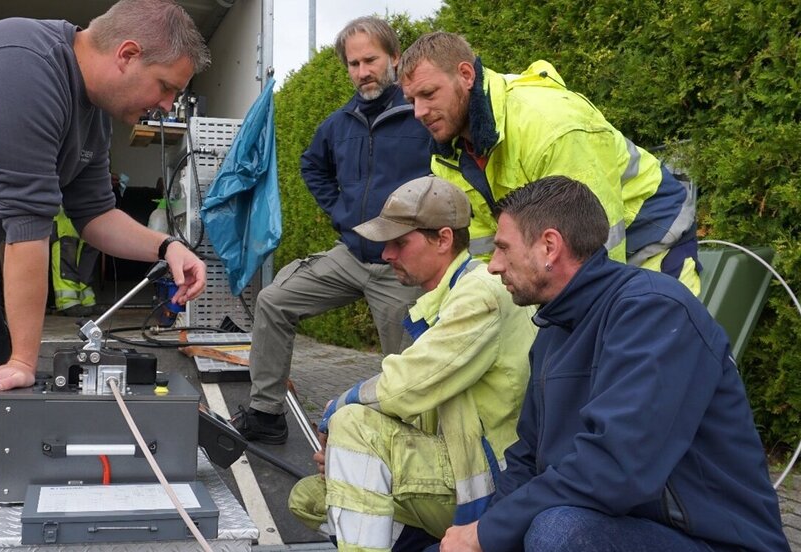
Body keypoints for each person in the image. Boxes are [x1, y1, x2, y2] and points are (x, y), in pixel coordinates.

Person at [432, 175, 789, 552]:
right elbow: (528, 458)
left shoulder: (653, 311)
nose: (494, 266)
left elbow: (616, 468)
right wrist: (484, 532)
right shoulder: (553, 331)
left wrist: (485, 536)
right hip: (626, 527)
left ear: (549, 246)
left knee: (560, 533)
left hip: (713, 541)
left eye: (503, 248)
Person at [0, 0, 210, 506]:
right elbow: (27, 227)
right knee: (9, 380)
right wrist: (22, 358)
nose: (168, 105)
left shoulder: (93, 114)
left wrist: (167, 247)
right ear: (127, 54)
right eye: (167, 86)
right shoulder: (23, 66)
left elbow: (95, 215)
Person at [287, 176, 538, 551]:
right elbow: (422, 400)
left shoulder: (480, 292)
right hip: (463, 466)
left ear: (444, 239)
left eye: (400, 242)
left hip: (490, 483)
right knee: (308, 497)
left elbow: (406, 387)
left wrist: (335, 411)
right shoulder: (448, 297)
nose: (387, 254)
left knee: (352, 426)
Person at [236, 16, 432, 444]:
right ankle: (265, 415)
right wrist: (341, 213)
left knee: (407, 368)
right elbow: (312, 165)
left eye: (371, 60)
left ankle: (408, 446)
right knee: (273, 301)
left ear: (395, 59)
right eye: (353, 63)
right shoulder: (338, 124)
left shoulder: (421, 116)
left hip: (401, 266)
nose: (362, 72)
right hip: (351, 255)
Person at [398, 32, 700, 296]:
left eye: (428, 94)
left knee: (637, 349)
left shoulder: (550, 125)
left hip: (652, 242)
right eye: (411, 100)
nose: (419, 112)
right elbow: (487, 254)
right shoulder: (447, 157)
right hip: (576, 259)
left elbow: (598, 246)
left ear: (466, 75)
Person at [50, 208, 100, 317]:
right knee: (66, 253)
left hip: (84, 206)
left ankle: (87, 299)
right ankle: (67, 302)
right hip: (64, 209)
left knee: (86, 255)